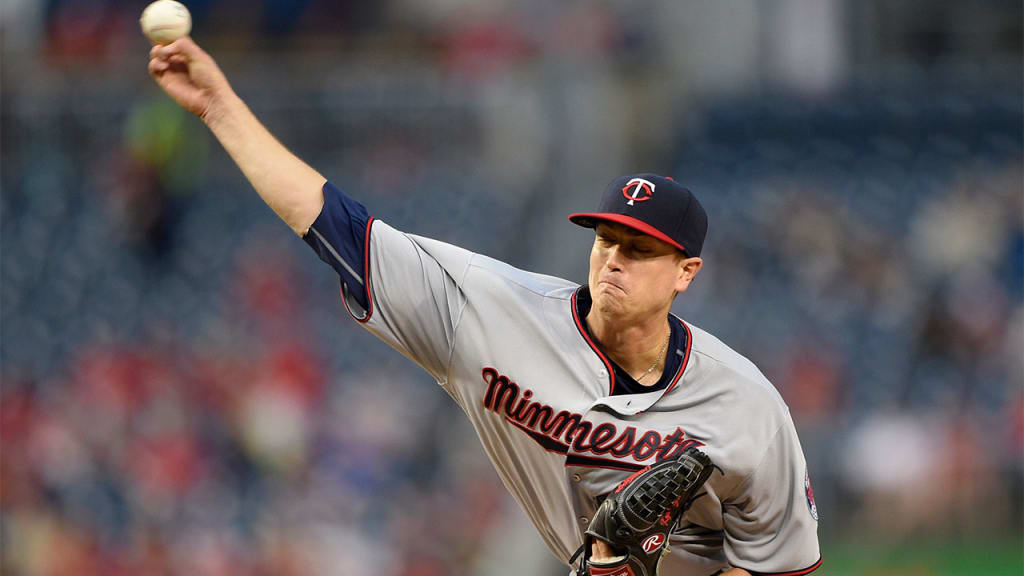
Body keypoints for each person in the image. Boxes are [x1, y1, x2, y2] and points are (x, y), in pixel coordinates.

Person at [148, 37, 821, 576]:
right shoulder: (494, 314)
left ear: (686, 273)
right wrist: (221, 111)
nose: (614, 258)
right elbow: (340, 228)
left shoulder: (746, 405)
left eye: (641, 251)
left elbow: (778, 562)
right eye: (607, 240)